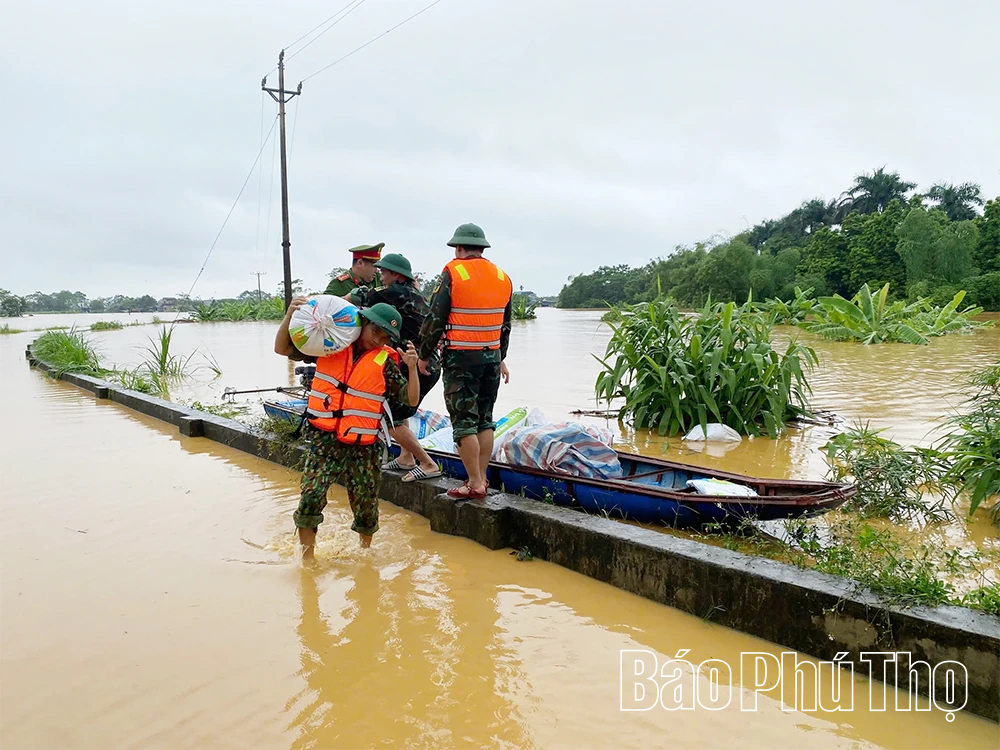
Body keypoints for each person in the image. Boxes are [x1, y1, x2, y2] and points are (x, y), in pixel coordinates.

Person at [274, 299, 420, 555]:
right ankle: (308, 559)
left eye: (385, 337)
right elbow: (282, 348)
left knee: (366, 507)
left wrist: (411, 368)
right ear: (363, 323)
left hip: (364, 447)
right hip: (324, 440)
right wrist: (289, 315)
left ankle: (364, 557)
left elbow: (411, 399)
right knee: (311, 497)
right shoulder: (330, 345)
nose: (378, 340)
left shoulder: (385, 361)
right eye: (376, 331)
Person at [418, 223, 512, 500]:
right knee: (485, 420)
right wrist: (500, 356)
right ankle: (481, 479)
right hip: (491, 359)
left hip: (461, 359)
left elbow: (435, 317)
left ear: (458, 248)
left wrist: (424, 355)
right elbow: (506, 324)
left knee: (464, 423)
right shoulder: (502, 276)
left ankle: (473, 483)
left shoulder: (453, 272)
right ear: (482, 248)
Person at [348, 252, 443, 483]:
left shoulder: (395, 292)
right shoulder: (415, 293)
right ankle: (406, 458)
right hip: (424, 363)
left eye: (384, 271)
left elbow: (358, 296)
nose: (381, 275)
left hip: (416, 364)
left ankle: (428, 463)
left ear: (396, 275)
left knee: (388, 417)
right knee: (398, 409)